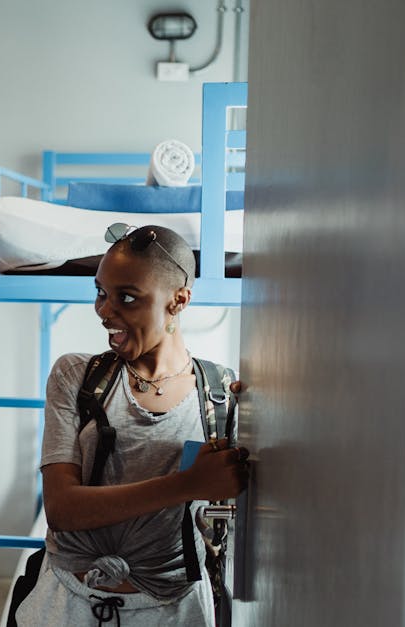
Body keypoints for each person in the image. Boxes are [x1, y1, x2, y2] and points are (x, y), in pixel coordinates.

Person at [15, 224, 249, 626]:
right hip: (68, 603)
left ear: (179, 300)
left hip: (172, 610)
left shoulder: (220, 396)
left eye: (127, 297)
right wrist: (187, 485)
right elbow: (61, 509)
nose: (105, 311)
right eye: (101, 293)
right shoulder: (77, 377)